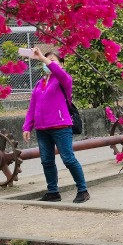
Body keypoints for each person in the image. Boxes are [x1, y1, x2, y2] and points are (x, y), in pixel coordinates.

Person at [23, 48, 90, 203]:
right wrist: (27, 126)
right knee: (46, 161)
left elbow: (58, 72)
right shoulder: (40, 84)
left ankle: (83, 190)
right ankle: (53, 192)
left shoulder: (64, 80)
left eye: (53, 61)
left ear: (61, 65)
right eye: (47, 60)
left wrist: (42, 57)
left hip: (61, 126)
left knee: (68, 159)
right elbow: (33, 106)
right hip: (42, 129)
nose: (48, 63)